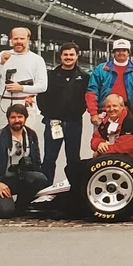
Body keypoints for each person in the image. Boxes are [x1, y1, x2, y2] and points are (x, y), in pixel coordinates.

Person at [0, 104, 49, 219]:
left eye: (20, 117)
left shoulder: (31, 135)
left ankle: (21, 207)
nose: (17, 120)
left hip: (18, 178)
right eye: (13, 117)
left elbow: (37, 161)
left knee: (40, 178)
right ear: (8, 119)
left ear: (25, 118)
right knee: (4, 211)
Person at [0, 27, 49, 153]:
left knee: (25, 140)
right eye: (15, 38)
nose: (18, 41)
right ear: (11, 39)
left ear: (28, 39)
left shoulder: (37, 59)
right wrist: (1, 63)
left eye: (22, 38)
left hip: (24, 102)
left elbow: (43, 86)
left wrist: (21, 88)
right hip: (3, 103)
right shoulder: (3, 55)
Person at [37, 42, 89, 185]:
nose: (68, 57)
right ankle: (45, 189)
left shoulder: (84, 77)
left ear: (77, 56)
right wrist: (48, 114)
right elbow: (41, 97)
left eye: (71, 54)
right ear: (60, 56)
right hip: (54, 122)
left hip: (74, 122)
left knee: (73, 158)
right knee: (49, 158)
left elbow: (87, 97)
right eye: (65, 54)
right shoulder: (50, 75)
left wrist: (79, 111)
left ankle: (75, 189)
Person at [85, 38, 133, 127]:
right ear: (113, 52)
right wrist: (93, 113)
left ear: (129, 52)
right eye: (117, 50)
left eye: (124, 50)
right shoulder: (101, 69)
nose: (121, 53)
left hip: (128, 115)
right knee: (101, 140)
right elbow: (92, 92)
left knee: (127, 141)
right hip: (104, 114)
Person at [89, 93, 133, 165]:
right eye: (108, 106)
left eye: (114, 106)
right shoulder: (106, 120)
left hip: (131, 162)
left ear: (122, 107)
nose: (111, 109)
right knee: (79, 166)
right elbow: (96, 138)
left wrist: (100, 152)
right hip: (111, 157)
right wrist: (99, 144)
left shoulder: (131, 122)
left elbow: (123, 148)